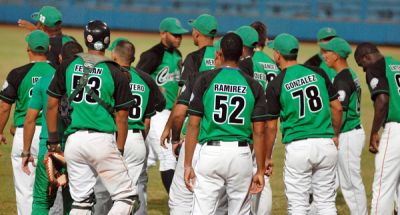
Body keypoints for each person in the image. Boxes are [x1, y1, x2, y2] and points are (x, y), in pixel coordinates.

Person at [46, 20, 137, 214]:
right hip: (102, 141)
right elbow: (122, 117)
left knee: (81, 202)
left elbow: (52, 105)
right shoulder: (115, 71)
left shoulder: (68, 65)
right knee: (127, 198)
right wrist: (119, 148)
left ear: (86, 39)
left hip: (74, 142)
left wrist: (53, 140)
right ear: (107, 41)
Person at [184, 32, 268, 214]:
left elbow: (193, 124)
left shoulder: (205, 79)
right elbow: (260, 131)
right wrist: (260, 170)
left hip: (211, 152)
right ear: (241, 54)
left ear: (220, 52)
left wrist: (188, 164)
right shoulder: (253, 85)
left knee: (202, 210)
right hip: (241, 154)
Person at [264, 33, 342, 214]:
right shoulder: (318, 72)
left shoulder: (277, 83)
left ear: (277, 54)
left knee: (298, 205)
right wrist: (335, 134)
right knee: (326, 203)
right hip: (325, 143)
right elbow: (337, 108)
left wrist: (267, 157)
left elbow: (271, 126)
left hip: (299, 146)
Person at [165, 13, 220, 214]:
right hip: (221, 137)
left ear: (197, 33)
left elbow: (182, 102)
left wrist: (171, 134)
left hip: (195, 136)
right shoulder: (224, 57)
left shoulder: (194, 58)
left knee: (181, 198)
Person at [22, 41, 83, 215]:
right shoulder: (88, 83)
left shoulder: (44, 81)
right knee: (75, 201)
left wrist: (26, 151)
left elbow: (30, 119)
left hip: (48, 148)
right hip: (76, 148)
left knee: (42, 200)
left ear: (60, 57)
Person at [0, 30, 52, 215]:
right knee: (52, 190)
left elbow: (4, 107)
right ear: (49, 48)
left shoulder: (17, 73)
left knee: (25, 191)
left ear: (27, 48)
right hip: (51, 134)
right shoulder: (58, 73)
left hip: (24, 134)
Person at [136, 17, 188, 192]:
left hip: (171, 113)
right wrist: (154, 87)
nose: (178, 38)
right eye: (175, 35)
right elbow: (136, 78)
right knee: (167, 155)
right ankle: (177, 204)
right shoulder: (153, 55)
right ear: (163, 33)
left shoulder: (178, 55)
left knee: (148, 158)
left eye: (180, 35)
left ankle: (129, 194)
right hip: (157, 113)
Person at [320, 37, 367, 215]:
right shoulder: (350, 74)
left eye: (327, 52)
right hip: (352, 132)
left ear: (337, 55)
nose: (324, 55)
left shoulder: (341, 79)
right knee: (335, 180)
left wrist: (335, 134)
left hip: (347, 134)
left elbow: (341, 111)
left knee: (351, 184)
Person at [354, 43, 400, 215]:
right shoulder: (397, 64)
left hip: (395, 131)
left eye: (361, 65)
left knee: (383, 185)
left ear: (367, 58)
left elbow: (382, 100)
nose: (365, 70)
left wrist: (374, 132)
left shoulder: (375, 67)